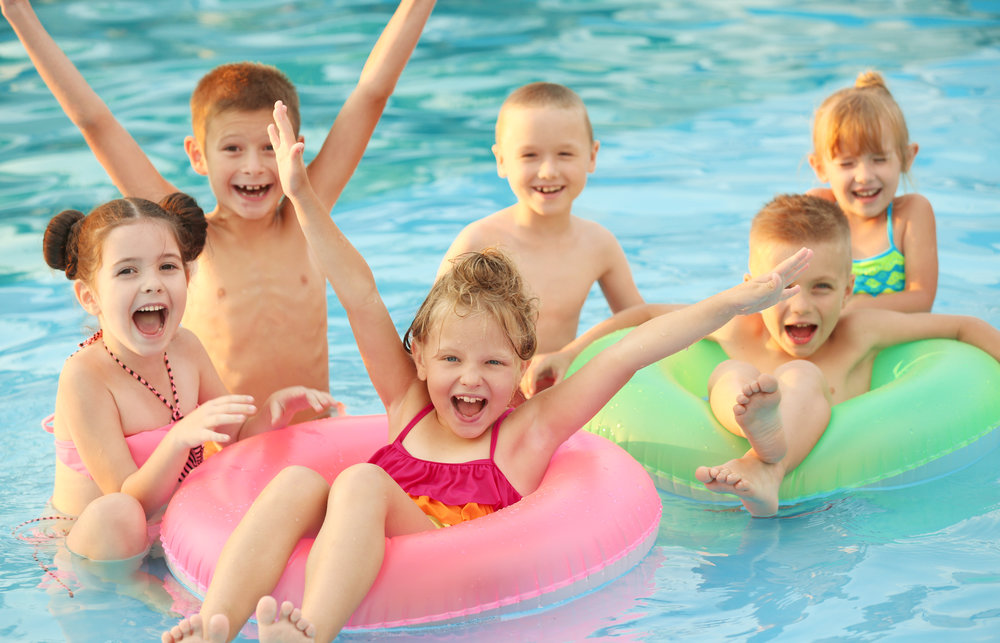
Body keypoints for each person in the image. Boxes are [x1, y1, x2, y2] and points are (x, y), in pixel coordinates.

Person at [158, 102, 811, 643]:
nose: (469, 380)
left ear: (522, 366)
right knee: (299, 479)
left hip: (456, 573)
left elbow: (628, 350)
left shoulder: (527, 434)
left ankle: (314, 632)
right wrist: (300, 194)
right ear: (419, 357)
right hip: (370, 529)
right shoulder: (407, 403)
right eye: (450, 360)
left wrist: (735, 300)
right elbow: (357, 289)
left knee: (356, 481)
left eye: (494, 363)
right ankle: (216, 623)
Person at [1, 0, 446, 418]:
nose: (253, 165)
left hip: (315, 437)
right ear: (198, 156)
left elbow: (371, 94)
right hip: (227, 454)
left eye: (270, 147)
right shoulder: (185, 239)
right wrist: (16, 6)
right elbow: (97, 123)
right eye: (233, 148)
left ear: (295, 148)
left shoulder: (306, 215)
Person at [524, 194, 1000, 517]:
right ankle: (761, 437)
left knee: (801, 376)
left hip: (837, 502)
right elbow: (644, 315)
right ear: (753, 287)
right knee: (730, 372)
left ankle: (768, 457)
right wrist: (570, 352)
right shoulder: (735, 326)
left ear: (849, 290)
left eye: (823, 288)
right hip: (746, 498)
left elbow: (964, 327)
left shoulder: (861, 330)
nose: (801, 305)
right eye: (782, 287)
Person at [42, 194, 337, 562]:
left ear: (188, 275)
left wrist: (272, 414)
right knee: (115, 512)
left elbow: (235, 437)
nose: (152, 283)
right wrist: (180, 437)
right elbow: (131, 501)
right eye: (127, 271)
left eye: (167, 266)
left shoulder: (186, 348)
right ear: (90, 297)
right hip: (96, 552)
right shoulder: (84, 376)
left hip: (175, 533)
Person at [437, 82, 643, 392]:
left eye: (564, 154)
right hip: (487, 397)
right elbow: (434, 335)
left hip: (556, 394)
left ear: (592, 155)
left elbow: (638, 323)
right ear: (502, 160)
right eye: (530, 155)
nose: (547, 171)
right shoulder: (478, 242)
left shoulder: (599, 244)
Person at [807, 70, 937, 312]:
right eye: (847, 163)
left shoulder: (909, 216)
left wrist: (855, 308)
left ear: (907, 158)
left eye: (879, 159)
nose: (865, 176)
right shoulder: (818, 211)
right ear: (820, 167)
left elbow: (921, 299)